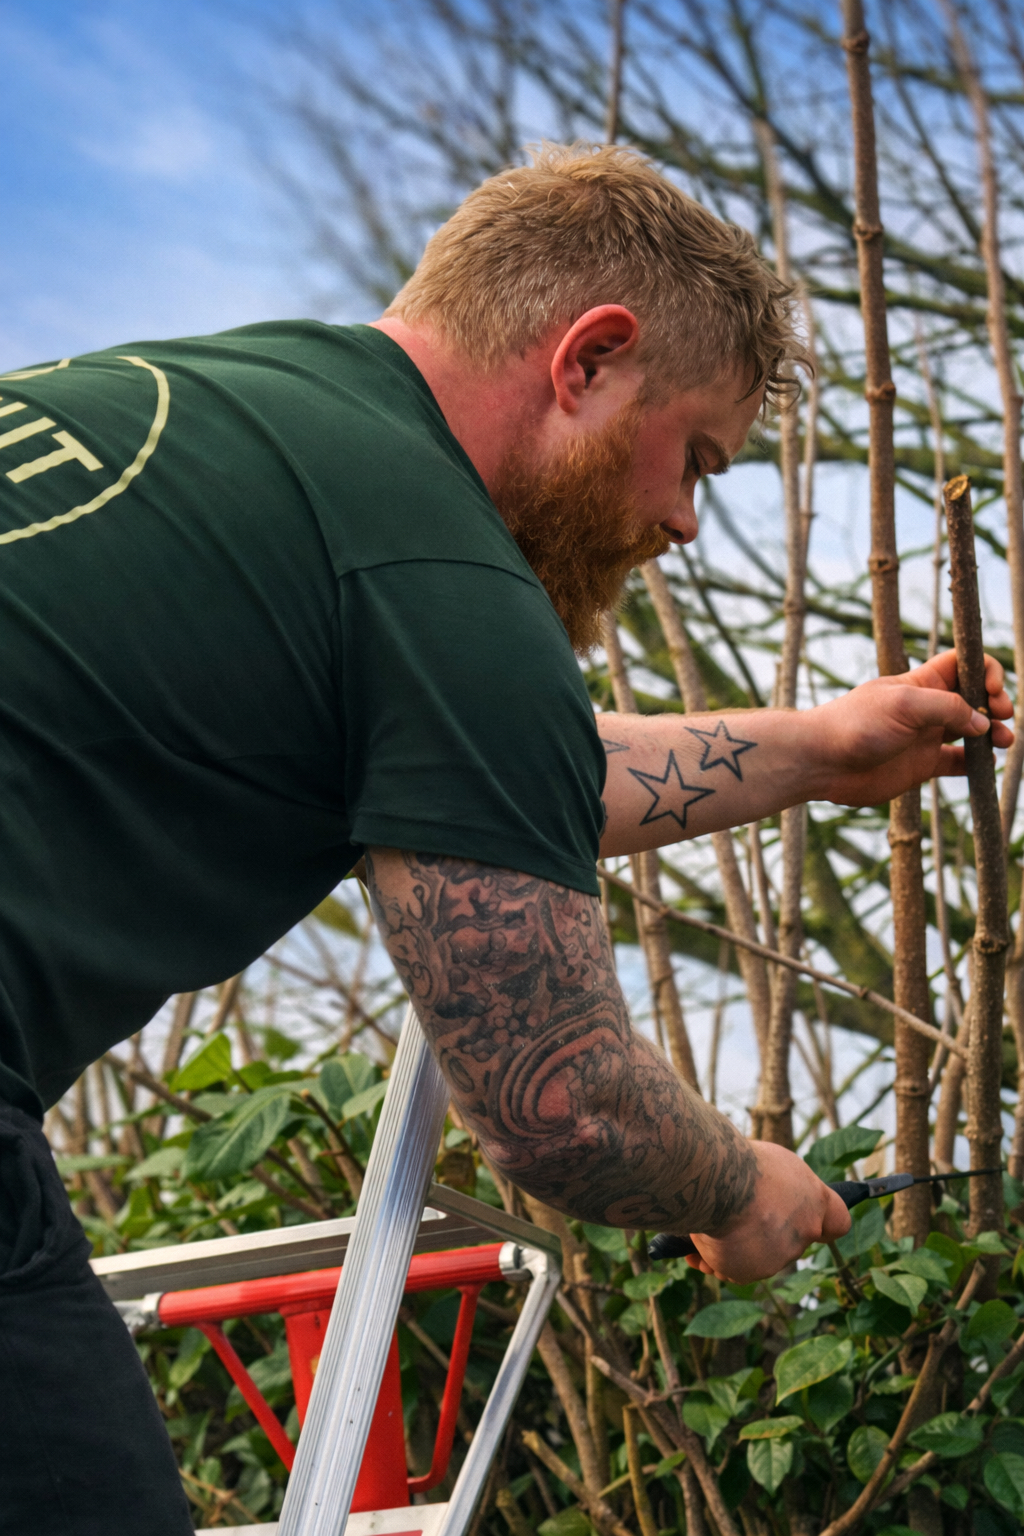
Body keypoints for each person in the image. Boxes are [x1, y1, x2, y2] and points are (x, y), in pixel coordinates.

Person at [0, 142, 1011, 1533]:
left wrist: (817, 749)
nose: (682, 521)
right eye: (694, 458)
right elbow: (562, 1101)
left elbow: (476, 771)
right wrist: (733, 1188)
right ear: (589, 359)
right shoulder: (440, 568)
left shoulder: (225, 415)